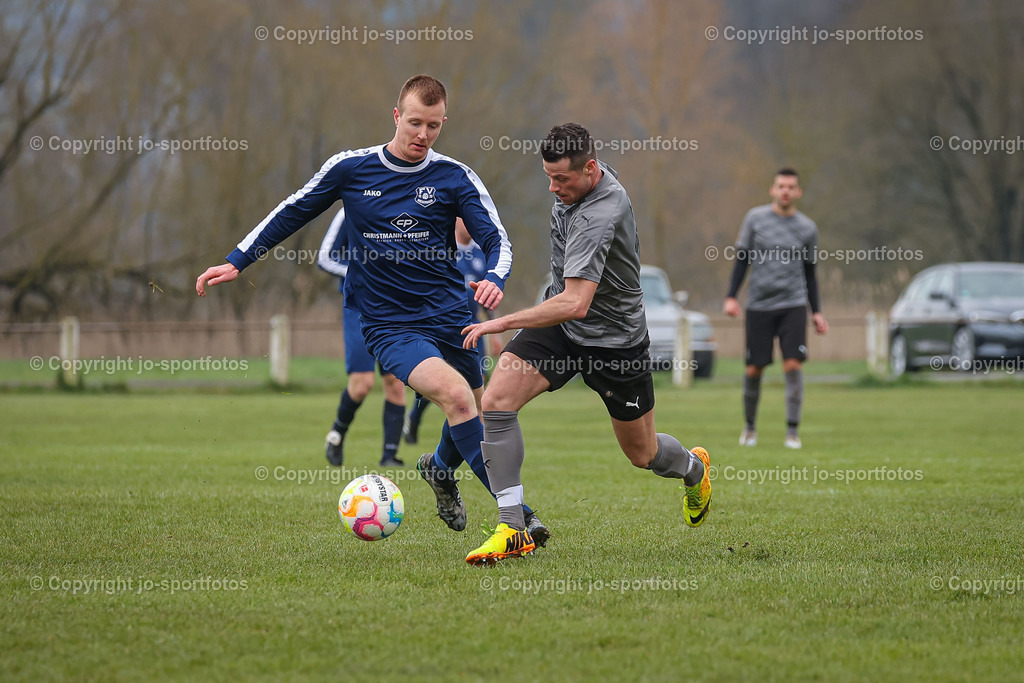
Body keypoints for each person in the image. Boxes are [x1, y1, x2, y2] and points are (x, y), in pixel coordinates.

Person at [195, 74, 546, 542]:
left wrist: (495, 278)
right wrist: (238, 260)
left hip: (451, 318)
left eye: (434, 126)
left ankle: (439, 469)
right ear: (396, 116)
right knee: (459, 399)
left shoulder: (454, 176)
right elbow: (293, 209)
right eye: (416, 123)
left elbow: (496, 238)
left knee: (477, 411)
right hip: (389, 324)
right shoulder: (352, 169)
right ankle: (518, 514)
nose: (423, 135)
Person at [459, 123, 712, 565]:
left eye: (562, 179)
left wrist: (503, 323)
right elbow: (568, 306)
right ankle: (512, 527)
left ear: (591, 169)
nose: (553, 188)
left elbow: (576, 302)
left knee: (643, 453)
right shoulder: (585, 175)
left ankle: (694, 468)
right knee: (496, 400)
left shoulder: (600, 214)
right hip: (561, 331)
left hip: (614, 342)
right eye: (548, 177)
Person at [723, 168, 829, 449]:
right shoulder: (755, 219)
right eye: (781, 186)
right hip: (758, 305)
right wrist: (731, 296)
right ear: (773, 189)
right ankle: (749, 429)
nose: (785, 191)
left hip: (793, 304)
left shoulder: (807, 228)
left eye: (790, 187)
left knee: (793, 364)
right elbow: (741, 260)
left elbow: (810, 272)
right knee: (754, 368)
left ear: (797, 192)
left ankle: (792, 433)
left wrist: (816, 311)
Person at [317, 207, 406, 468]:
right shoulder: (350, 211)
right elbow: (326, 257)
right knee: (362, 383)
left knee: (395, 382)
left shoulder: (402, 207)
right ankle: (336, 434)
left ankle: (389, 456)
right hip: (358, 307)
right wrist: (363, 275)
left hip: (393, 308)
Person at [402, 218, 500, 444]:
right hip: (440, 325)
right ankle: (414, 418)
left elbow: (487, 298)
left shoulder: (480, 254)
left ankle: (478, 442)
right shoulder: (440, 248)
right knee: (442, 383)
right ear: (455, 219)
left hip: (473, 327)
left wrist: (495, 333)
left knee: (477, 384)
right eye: (466, 219)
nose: (471, 223)